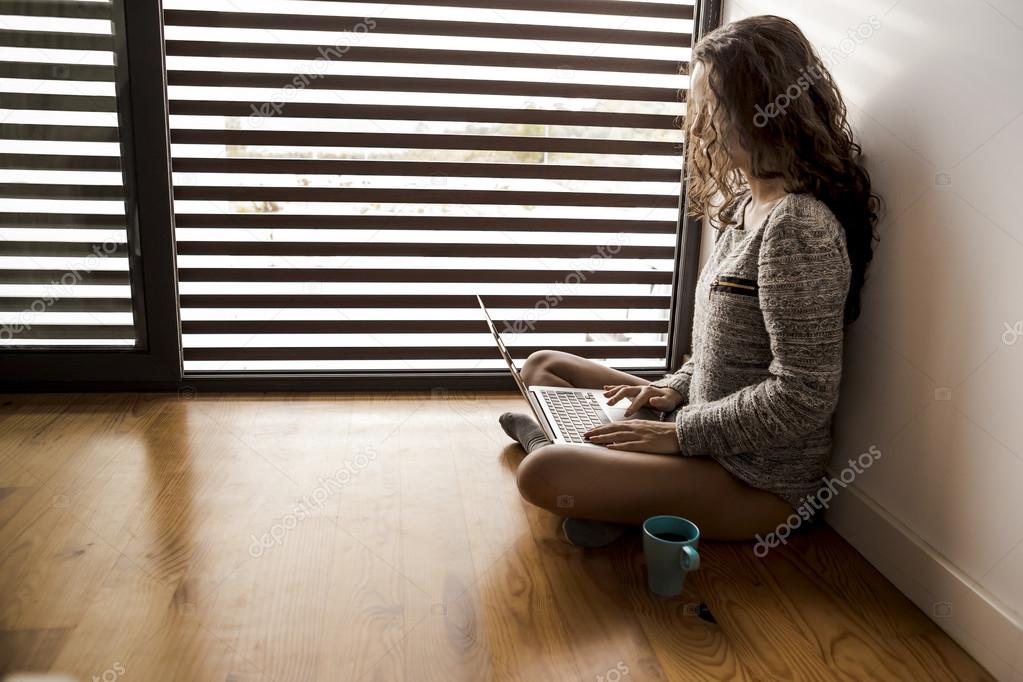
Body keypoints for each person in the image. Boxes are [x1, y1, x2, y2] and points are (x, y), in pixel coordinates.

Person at [498, 15, 880, 547]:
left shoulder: (798, 227)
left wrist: (677, 435)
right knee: (544, 366)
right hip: (699, 419)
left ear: (764, 110)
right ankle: (615, 498)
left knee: (543, 475)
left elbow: (803, 395)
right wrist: (667, 391)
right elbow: (716, 354)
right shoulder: (746, 206)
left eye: (710, 107)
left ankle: (582, 472)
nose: (697, 126)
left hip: (755, 480)